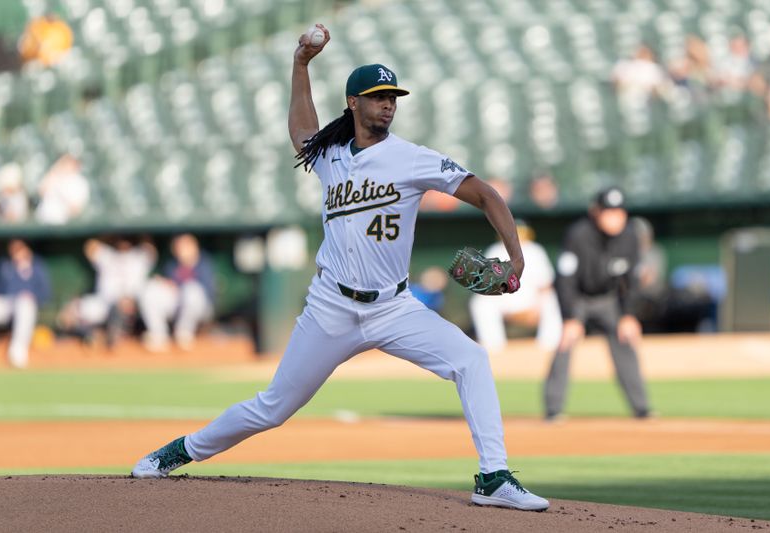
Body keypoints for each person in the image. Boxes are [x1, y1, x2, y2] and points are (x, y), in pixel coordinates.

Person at [130, 24, 549, 512]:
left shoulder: (411, 158)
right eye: (377, 97)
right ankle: (179, 451)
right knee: (273, 408)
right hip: (331, 306)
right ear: (353, 103)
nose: (388, 104)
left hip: (394, 307)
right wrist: (301, 65)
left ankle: (494, 477)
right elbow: (302, 131)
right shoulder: (331, 155)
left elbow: (486, 193)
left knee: (471, 361)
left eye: (392, 96)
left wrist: (515, 256)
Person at [544, 187, 652, 421]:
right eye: (608, 212)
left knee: (625, 341)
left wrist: (629, 315)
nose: (615, 217)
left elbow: (631, 280)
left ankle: (642, 408)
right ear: (596, 212)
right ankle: (553, 409)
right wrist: (570, 317)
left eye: (619, 212)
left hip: (608, 299)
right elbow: (565, 278)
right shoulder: (578, 234)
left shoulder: (630, 235)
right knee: (566, 343)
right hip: (578, 298)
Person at [469, 221, 562, 353]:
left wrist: (536, 308)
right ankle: (493, 346)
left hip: (531, 302)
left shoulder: (535, 250)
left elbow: (545, 285)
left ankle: (549, 346)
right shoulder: (495, 250)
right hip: (504, 302)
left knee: (552, 298)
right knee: (480, 302)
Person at [58, 236, 157, 346]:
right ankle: (92, 335)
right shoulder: (108, 255)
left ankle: (117, 334)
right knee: (71, 310)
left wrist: (140, 235)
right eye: (121, 239)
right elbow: (90, 246)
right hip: (104, 304)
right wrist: (110, 234)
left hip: (131, 306)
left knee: (124, 306)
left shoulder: (138, 256)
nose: (123, 243)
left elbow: (150, 249)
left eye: (126, 238)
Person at [138, 234, 215, 352]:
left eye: (185, 246)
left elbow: (206, 291)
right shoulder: (172, 264)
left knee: (192, 291)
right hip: (176, 304)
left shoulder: (204, 263)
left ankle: (184, 335)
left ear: (194, 247)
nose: (181, 251)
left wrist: (177, 286)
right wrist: (166, 284)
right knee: (150, 288)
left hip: (200, 308)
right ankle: (159, 336)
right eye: (178, 247)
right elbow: (171, 285)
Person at [0, 240, 51, 368]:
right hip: (7, 304)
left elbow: (45, 293)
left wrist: (30, 295)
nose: (16, 253)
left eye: (19, 249)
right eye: (14, 250)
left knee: (25, 303)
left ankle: (17, 354)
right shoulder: (5, 265)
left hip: (27, 306)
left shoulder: (37, 267)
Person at [34, 154, 90, 225]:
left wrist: (63, 196)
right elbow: (41, 191)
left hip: (63, 225)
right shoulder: (55, 176)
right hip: (43, 221)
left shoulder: (80, 183)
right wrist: (55, 169)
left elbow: (76, 210)